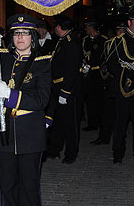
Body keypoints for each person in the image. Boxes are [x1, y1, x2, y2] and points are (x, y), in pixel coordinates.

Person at [0, 14, 52, 206]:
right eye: (16, 33)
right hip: (4, 130)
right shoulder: (2, 56)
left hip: (30, 133)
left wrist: (10, 95)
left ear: (33, 37)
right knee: (8, 185)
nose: (20, 37)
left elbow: (41, 99)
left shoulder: (42, 62)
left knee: (29, 186)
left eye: (25, 33)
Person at [104, 11, 134, 164]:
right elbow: (110, 63)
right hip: (124, 90)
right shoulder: (118, 41)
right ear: (129, 22)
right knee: (121, 125)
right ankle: (118, 154)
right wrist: (126, 74)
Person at [46, 15, 83, 164]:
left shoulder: (71, 43)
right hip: (57, 86)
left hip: (68, 89)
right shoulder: (62, 41)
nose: (55, 28)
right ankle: (55, 149)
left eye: (56, 26)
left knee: (71, 123)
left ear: (60, 27)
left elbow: (72, 70)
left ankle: (71, 153)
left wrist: (65, 92)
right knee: (58, 121)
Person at [81, 19, 107, 132]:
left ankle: (101, 123)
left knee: (99, 100)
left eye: (87, 27)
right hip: (88, 73)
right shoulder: (85, 40)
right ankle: (91, 123)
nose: (85, 29)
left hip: (99, 74)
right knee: (89, 100)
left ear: (92, 27)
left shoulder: (103, 40)